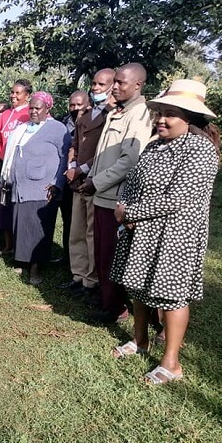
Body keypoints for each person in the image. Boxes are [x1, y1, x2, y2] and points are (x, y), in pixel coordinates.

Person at [110, 79, 220, 385]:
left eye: (170, 114)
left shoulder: (201, 150)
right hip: (142, 229)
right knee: (139, 287)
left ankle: (171, 363)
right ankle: (139, 340)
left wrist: (130, 213)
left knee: (172, 295)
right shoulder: (154, 145)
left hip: (176, 235)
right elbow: (133, 182)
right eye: (160, 112)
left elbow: (178, 198)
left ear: (190, 118)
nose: (161, 119)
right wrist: (124, 207)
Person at [79, 63, 153, 323]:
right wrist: (91, 179)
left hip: (115, 199)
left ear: (138, 85)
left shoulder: (140, 114)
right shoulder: (118, 112)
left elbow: (129, 161)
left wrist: (96, 182)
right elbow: (104, 155)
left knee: (111, 255)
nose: (115, 87)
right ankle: (106, 299)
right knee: (101, 252)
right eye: (116, 82)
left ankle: (115, 308)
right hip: (102, 195)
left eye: (121, 83)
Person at [0, 91, 70, 285]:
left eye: (37, 108)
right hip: (20, 187)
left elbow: (65, 158)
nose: (32, 111)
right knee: (21, 225)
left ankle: (36, 268)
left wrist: (58, 183)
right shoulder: (24, 128)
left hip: (42, 187)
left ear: (48, 108)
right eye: (30, 107)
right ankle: (22, 261)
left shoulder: (57, 129)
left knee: (39, 228)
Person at [59, 69, 115, 296]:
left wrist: (81, 169)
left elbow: (104, 151)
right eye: (94, 84)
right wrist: (72, 166)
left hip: (94, 180)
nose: (96, 88)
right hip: (77, 180)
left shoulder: (111, 116)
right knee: (77, 232)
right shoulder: (85, 115)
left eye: (102, 84)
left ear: (112, 86)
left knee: (92, 234)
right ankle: (78, 275)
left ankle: (91, 280)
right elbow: (75, 145)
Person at [0, 79, 33, 255]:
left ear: (27, 96)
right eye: (12, 92)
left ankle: (20, 246)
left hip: (22, 167)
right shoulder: (4, 115)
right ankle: (7, 246)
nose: (13, 96)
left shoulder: (30, 115)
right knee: (4, 206)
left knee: (18, 207)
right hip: (3, 165)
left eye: (18, 93)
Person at [55, 90, 90, 265]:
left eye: (79, 105)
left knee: (81, 225)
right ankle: (67, 256)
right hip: (65, 178)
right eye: (72, 105)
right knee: (67, 219)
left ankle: (80, 262)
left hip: (83, 179)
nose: (75, 108)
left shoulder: (92, 124)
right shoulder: (63, 123)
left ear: (87, 104)